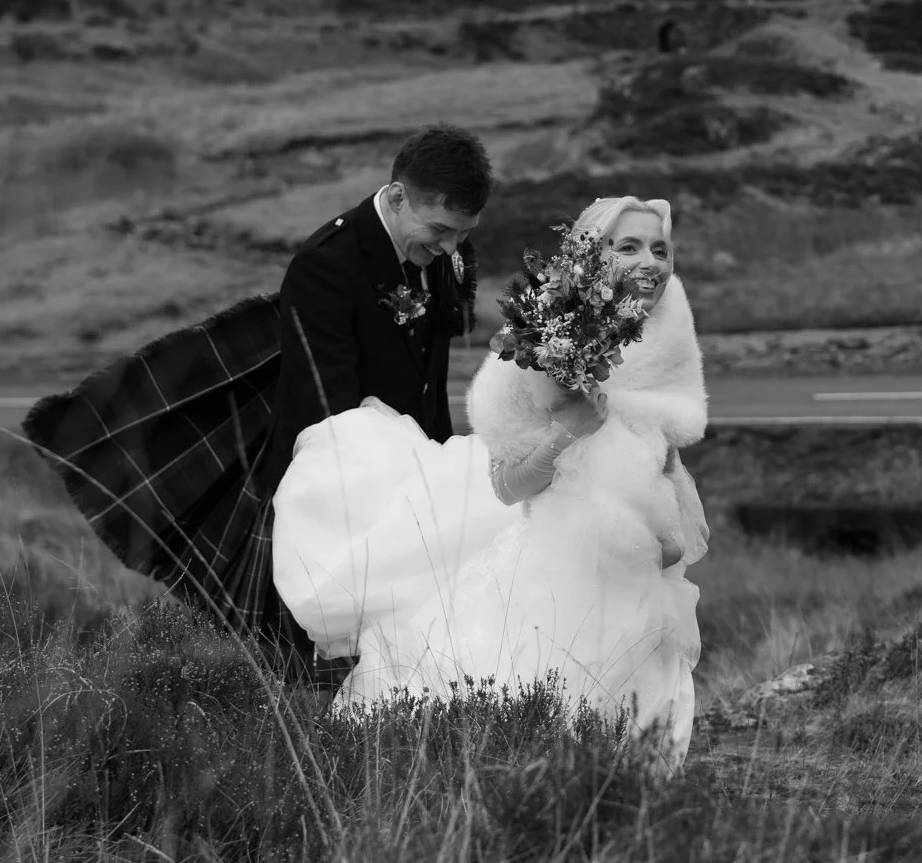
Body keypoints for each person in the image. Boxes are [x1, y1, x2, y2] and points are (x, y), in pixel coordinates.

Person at [22, 124, 490, 683]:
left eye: (462, 235)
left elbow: (427, 374)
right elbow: (332, 412)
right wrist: (403, 484)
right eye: (441, 230)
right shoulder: (327, 264)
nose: (450, 249)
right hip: (340, 472)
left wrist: (435, 461)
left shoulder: (438, 250)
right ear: (395, 197)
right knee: (328, 640)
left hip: (412, 459)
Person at [270, 196, 709, 768]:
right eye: (628, 247)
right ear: (589, 260)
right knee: (533, 726)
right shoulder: (544, 345)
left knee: (637, 743)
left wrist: (667, 529)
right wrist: (567, 434)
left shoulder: (664, 343)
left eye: (660, 249)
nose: (650, 261)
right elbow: (508, 486)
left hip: (637, 567)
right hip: (558, 572)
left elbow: (664, 454)